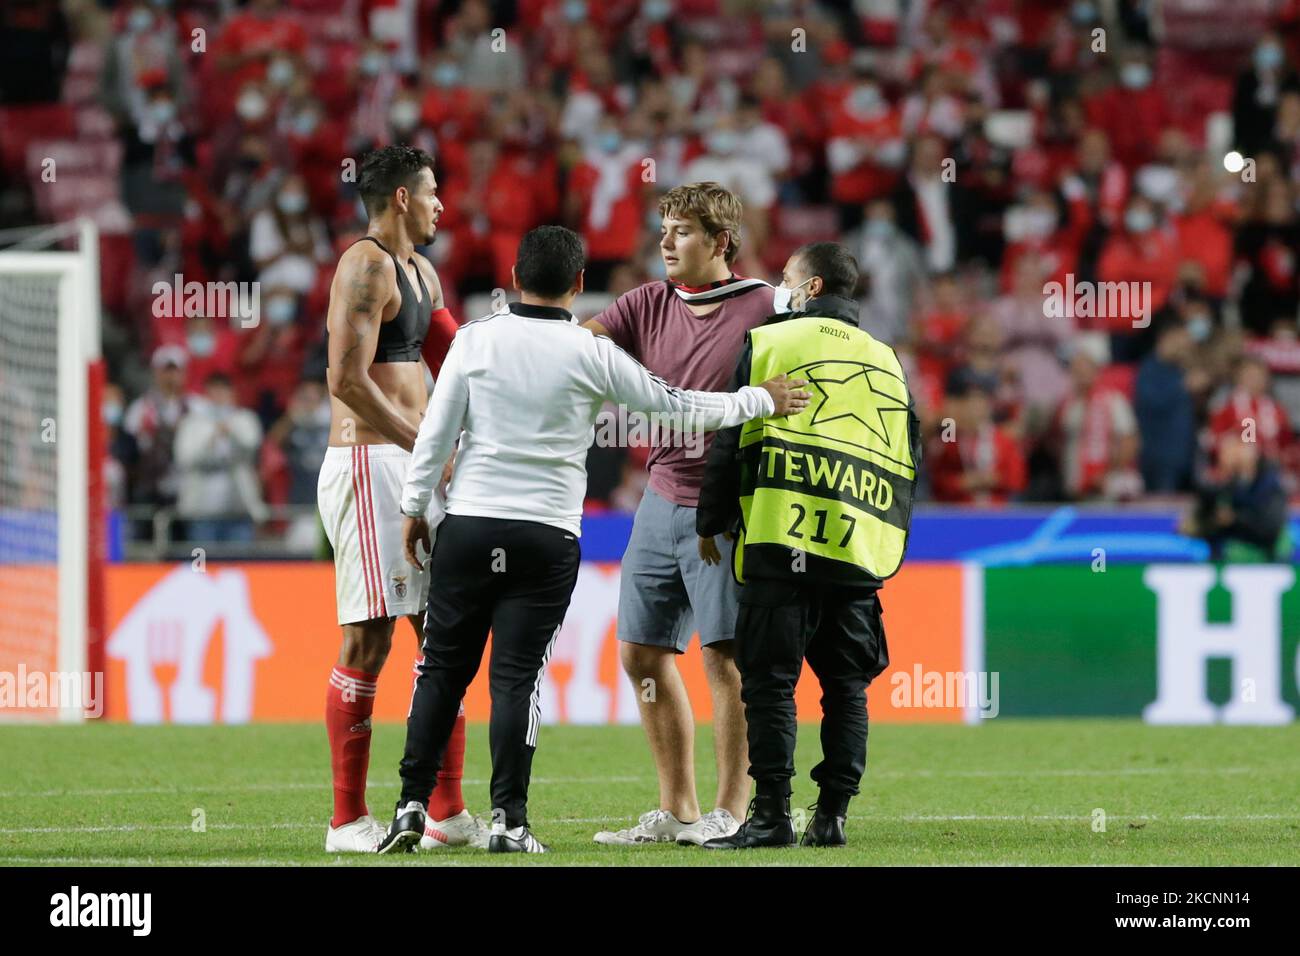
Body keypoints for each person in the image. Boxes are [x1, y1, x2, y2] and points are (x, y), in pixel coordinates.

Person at [377, 225, 810, 854]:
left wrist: (415, 507)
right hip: (546, 534)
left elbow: (436, 434)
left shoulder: (473, 341)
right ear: (580, 286)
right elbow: (678, 407)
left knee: (440, 669)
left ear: (515, 280)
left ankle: (411, 806)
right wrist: (757, 400)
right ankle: (509, 821)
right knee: (516, 679)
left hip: (469, 526)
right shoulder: (591, 353)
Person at [695, 242, 922, 849]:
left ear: (813, 288)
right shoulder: (888, 360)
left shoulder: (772, 343)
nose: (780, 287)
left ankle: (769, 815)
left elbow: (729, 434)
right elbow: (908, 459)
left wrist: (708, 519)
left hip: (778, 540)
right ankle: (833, 817)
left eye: (789, 279)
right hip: (853, 549)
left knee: (769, 685)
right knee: (846, 688)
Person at [581, 182, 780, 846]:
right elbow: (578, 347)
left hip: (727, 507)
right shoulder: (646, 301)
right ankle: (678, 809)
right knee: (641, 654)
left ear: (722, 242)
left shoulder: (766, 306)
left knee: (724, 657)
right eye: (663, 228)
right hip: (658, 498)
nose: (665, 242)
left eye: (683, 231)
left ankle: (731, 808)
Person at [316, 144, 475, 853]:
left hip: (414, 464)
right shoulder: (366, 264)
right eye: (434, 191)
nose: (444, 203)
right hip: (370, 463)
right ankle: (347, 820)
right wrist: (424, 444)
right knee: (370, 637)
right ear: (403, 198)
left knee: (442, 640)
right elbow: (346, 380)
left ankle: (447, 812)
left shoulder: (421, 272)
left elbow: (461, 360)